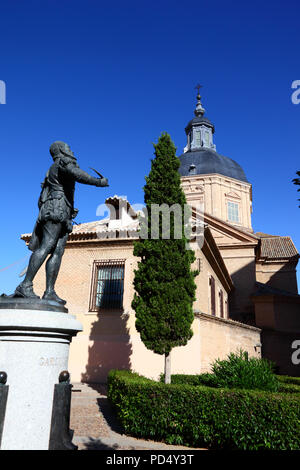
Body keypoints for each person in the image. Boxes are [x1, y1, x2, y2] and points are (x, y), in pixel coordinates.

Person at [14, 141, 108, 304]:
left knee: (58, 251)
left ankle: (49, 291)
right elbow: (77, 174)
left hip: (63, 210)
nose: (70, 150)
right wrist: (98, 182)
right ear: (60, 150)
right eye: (68, 147)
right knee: (47, 246)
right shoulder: (63, 163)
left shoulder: (55, 167)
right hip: (56, 209)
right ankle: (25, 285)